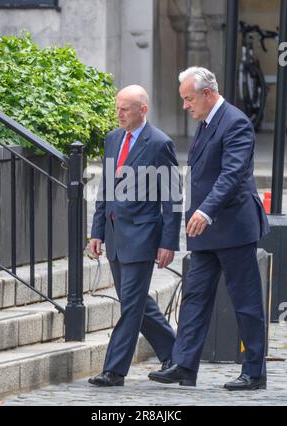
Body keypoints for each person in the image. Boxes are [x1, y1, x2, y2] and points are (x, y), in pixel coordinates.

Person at [148, 66, 269, 391]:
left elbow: (231, 174)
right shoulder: (206, 123)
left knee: (246, 302)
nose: (185, 106)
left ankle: (254, 372)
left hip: (233, 229)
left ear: (207, 93)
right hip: (205, 233)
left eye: (189, 99)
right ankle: (184, 366)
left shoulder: (236, 122)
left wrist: (205, 210)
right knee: (194, 298)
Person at [88, 84, 182, 387]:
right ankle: (175, 353)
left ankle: (114, 371)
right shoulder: (113, 139)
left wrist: (168, 242)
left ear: (143, 110)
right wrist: (97, 231)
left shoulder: (160, 143)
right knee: (138, 302)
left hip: (143, 237)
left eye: (124, 109)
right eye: (117, 107)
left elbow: (172, 196)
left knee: (131, 306)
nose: (118, 114)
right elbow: (106, 188)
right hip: (115, 236)